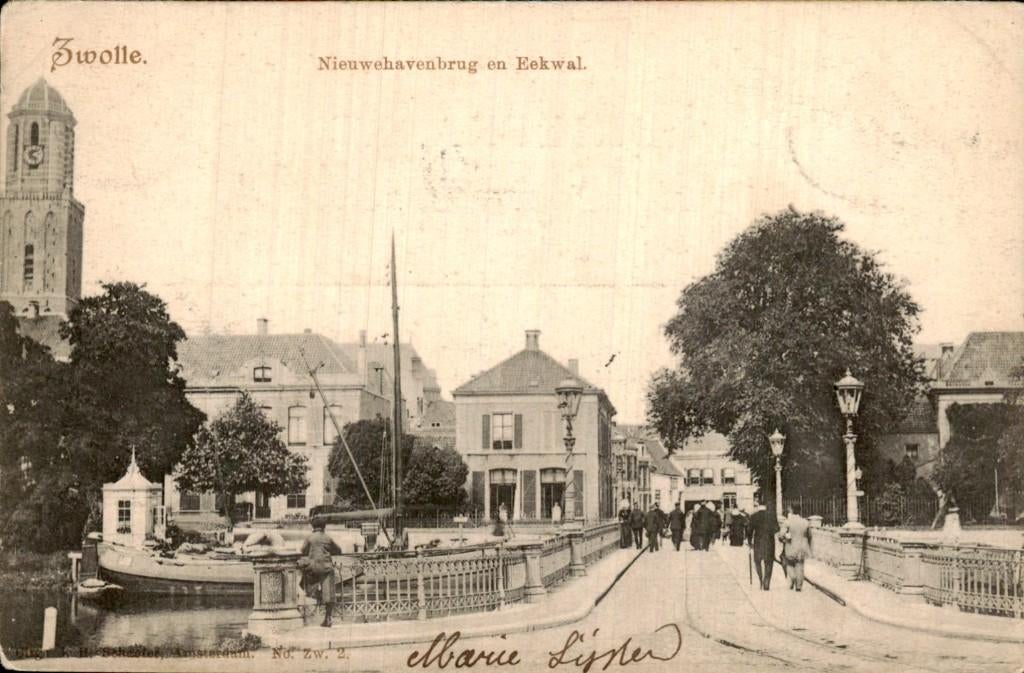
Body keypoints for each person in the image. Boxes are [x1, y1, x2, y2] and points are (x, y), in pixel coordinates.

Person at [300, 517, 343, 627]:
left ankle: (315, 596)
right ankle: (328, 617)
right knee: (329, 593)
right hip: (326, 568)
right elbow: (338, 550)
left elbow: (302, 550)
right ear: (324, 527)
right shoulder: (327, 538)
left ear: (313, 527)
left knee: (305, 584)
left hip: (313, 569)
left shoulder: (310, 538)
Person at [746, 501, 780, 591]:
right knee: (769, 562)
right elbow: (777, 529)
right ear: (766, 506)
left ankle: (760, 578)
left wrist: (749, 542)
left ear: (758, 506)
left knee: (757, 561)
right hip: (769, 542)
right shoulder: (772, 516)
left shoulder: (754, 516)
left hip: (758, 542)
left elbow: (749, 530)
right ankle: (767, 582)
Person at [781, 504, 812, 591]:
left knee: (789, 564)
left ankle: (793, 578)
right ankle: (799, 586)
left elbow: (781, 535)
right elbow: (810, 536)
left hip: (790, 547)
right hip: (802, 548)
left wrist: (783, 539)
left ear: (792, 511)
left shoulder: (787, 522)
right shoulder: (805, 522)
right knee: (800, 566)